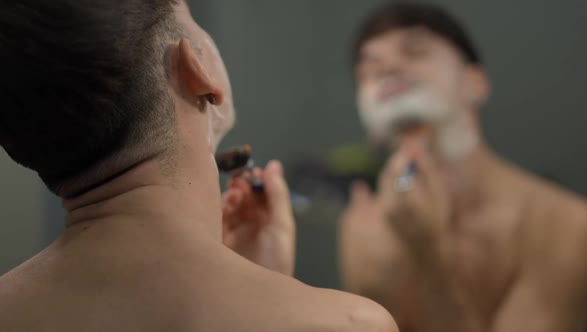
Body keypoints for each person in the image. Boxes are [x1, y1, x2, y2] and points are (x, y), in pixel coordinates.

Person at [0, 1, 398, 331]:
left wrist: (254, 281)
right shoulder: (347, 324)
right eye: (190, 17)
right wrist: (264, 295)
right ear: (196, 69)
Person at [338, 3, 587, 332]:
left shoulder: (563, 224)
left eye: (415, 51)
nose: (389, 68)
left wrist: (430, 255)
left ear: (476, 82)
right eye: (370, 68)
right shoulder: (361, 228)